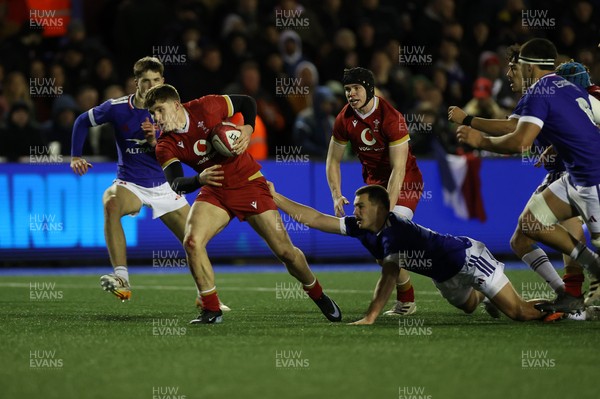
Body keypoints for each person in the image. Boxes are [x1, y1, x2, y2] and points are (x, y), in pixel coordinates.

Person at [145, 83, 342, 325]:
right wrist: (199, 179)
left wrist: (248, 128)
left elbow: (247, 102)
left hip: (248, 182)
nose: (156, 118)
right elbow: (176, 183)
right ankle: (211, 309)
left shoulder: (206, 106)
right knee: (192, 241)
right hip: (214, 188)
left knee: (285, 252)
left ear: (176, 105)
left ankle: (317, 293)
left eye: (159, 110)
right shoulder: (165, 144)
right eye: (152, 113)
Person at [69, 57, 229, 312]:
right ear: (136, 83)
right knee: (111, 204)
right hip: (130, 183)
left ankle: (207, 296)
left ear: (163, 82)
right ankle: (122, 278)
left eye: (156, 80)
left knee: (194, 241)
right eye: (146, 81)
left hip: (166, 186)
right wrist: (77, 155)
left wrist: (157, 141)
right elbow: (81, 121)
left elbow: (181, 148)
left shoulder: (174, 111)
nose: (151, 85)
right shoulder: (117, 108)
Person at [456, 38, 600, 313]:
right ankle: (581, 285)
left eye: (517, 66)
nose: (512, 71)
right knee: (530, 224)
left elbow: (518, 140)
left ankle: (578, 297)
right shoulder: (565, 87)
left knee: (591, 239)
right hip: (574, 174)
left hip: (593, 177)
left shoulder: (538, 93)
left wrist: (480, 140)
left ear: (530, 67)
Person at [269, 182, 545, 324]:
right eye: (355, 206)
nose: (355, 211)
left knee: (518, 312)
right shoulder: (361, 225)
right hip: (444, 275)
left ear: (380, 208)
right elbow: (316, 219)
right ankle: (489, 296)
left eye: (360, 206)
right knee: (470, 306)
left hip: (469, 260)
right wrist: (276, 198)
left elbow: (389, 275)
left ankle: (569, 308)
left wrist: (370, 316)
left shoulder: (395, 230)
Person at [326, 67, 423, 316]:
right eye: (347, 89)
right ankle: (410, 296)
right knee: (379, 248)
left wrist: (387, 211)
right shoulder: (344, 118)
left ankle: (409, 300)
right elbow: (332, 161)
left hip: (405, 183)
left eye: (356, 88)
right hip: (373, 186)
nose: (351, 94)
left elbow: (399, 169)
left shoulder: (391, 117)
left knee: (389, 240)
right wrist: (336, 194)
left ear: (369, 89)